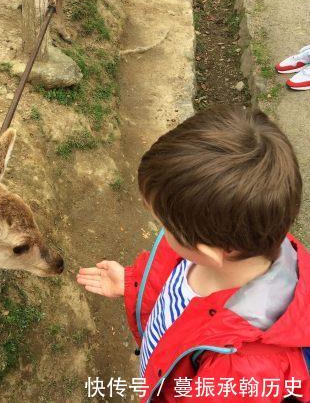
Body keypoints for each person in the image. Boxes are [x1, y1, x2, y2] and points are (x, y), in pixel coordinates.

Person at [77, 107, 310, 402]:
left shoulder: (239, 376)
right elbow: (171, 292)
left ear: (208, 252)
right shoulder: (244, 235)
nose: (161, 230)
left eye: (162, 224)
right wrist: (133, 283)